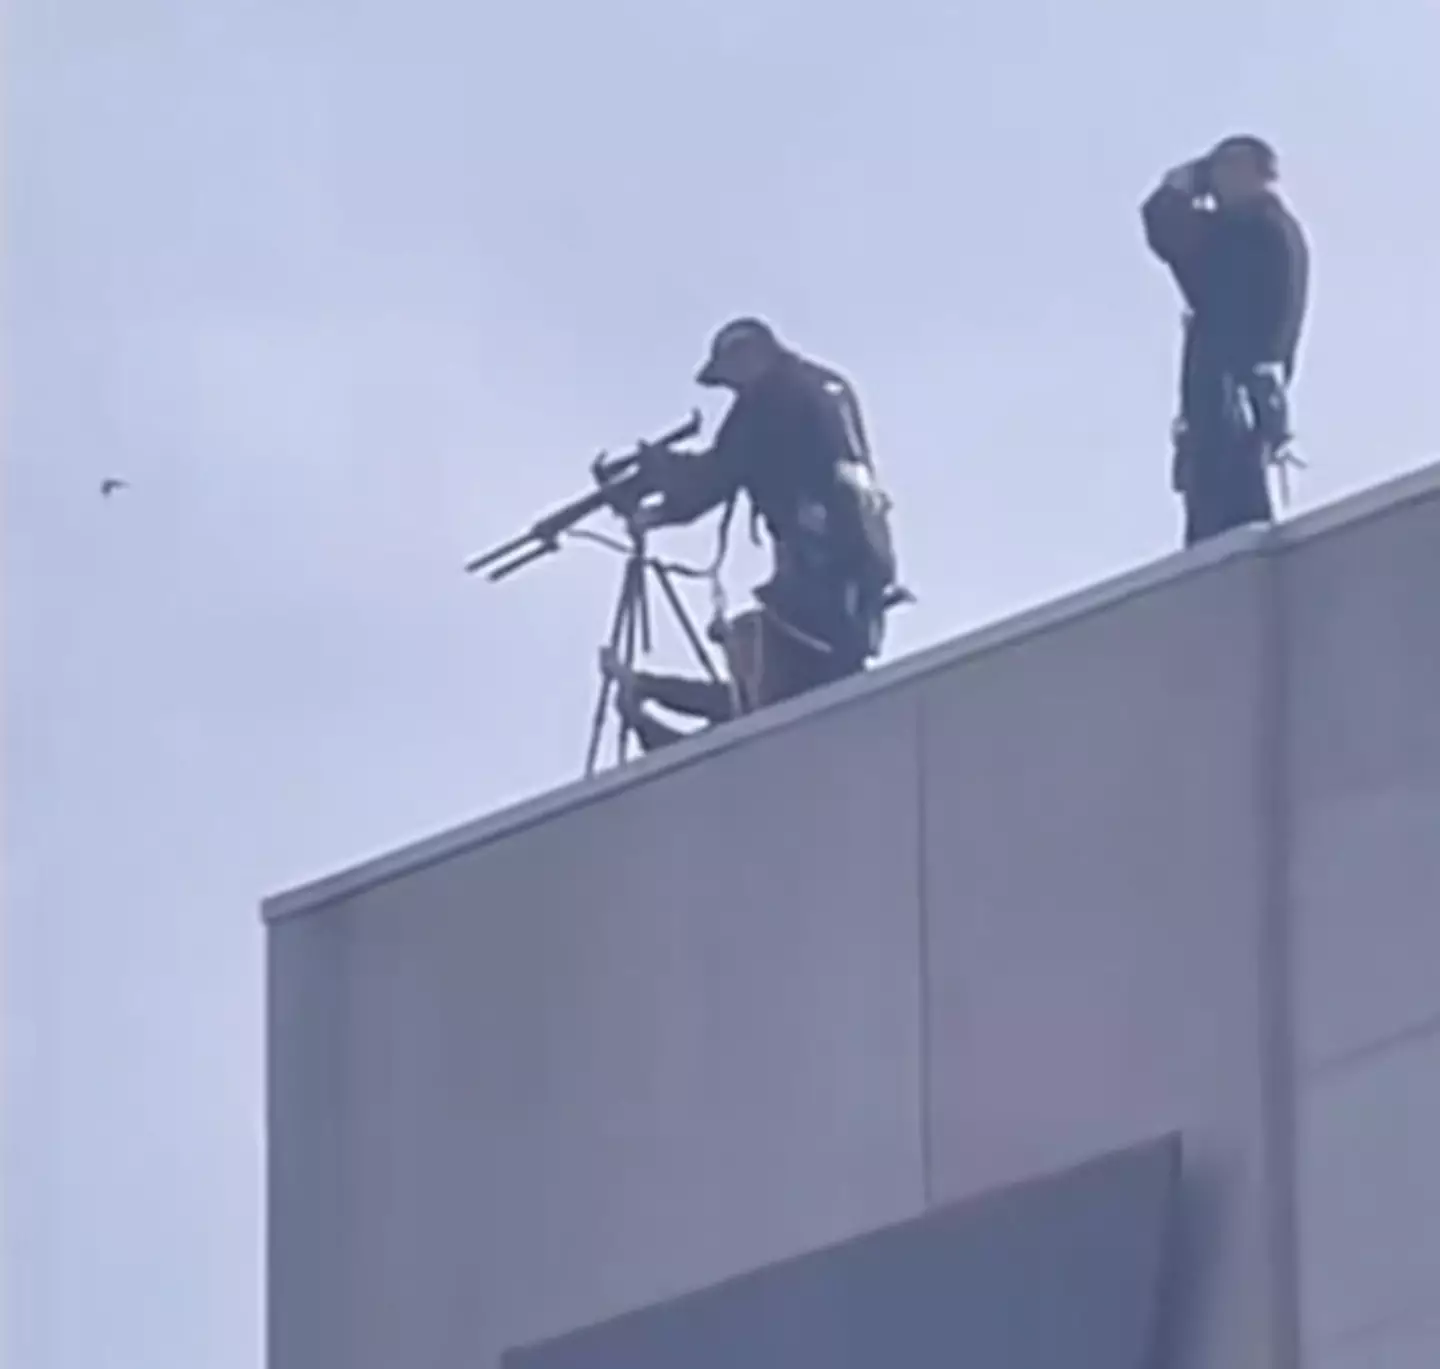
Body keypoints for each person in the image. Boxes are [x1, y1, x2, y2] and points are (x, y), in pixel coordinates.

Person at [629, 318, 901, 702]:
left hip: (818, 564)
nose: (732, 388)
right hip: (863, 562)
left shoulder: (771, 398)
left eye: (730, 375)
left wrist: (658, 476)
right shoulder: (825, 384)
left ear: (751, 355)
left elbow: (714, 477)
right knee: (831, 676)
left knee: (787, 690)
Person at [1141, 134, 1310, 546]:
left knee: (1226, 525)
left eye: (1223, 171)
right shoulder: (1272, 231)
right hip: (1240, 404)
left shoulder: (1253, 232)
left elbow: (1168, 228)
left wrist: (1181, 183)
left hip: (1230, 406)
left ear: (1250, 172)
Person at [598, 609, 767, 752]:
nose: (730, 659)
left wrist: (637, 684)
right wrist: (640, 721)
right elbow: (686, 752)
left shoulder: (763, 698)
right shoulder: (735, 703)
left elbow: (699, 698)